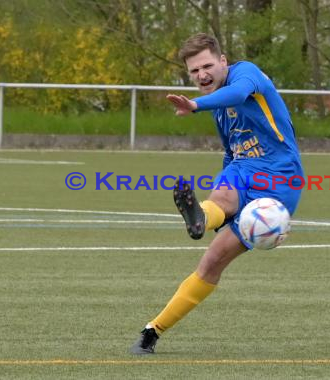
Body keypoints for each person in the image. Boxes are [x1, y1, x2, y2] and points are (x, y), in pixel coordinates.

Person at [130, 33, 304, 354]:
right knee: (209, 261)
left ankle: (204, 215)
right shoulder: (219, 108)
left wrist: (195, 105)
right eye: (194, 72)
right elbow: (230, 150)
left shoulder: (245, 74)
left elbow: (238, 93)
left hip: (280, 176)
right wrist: (224, 190)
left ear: (223, 61)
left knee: (216, 249)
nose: (201, 75)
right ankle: (151, 332)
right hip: (242, 168)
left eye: (207, 66)